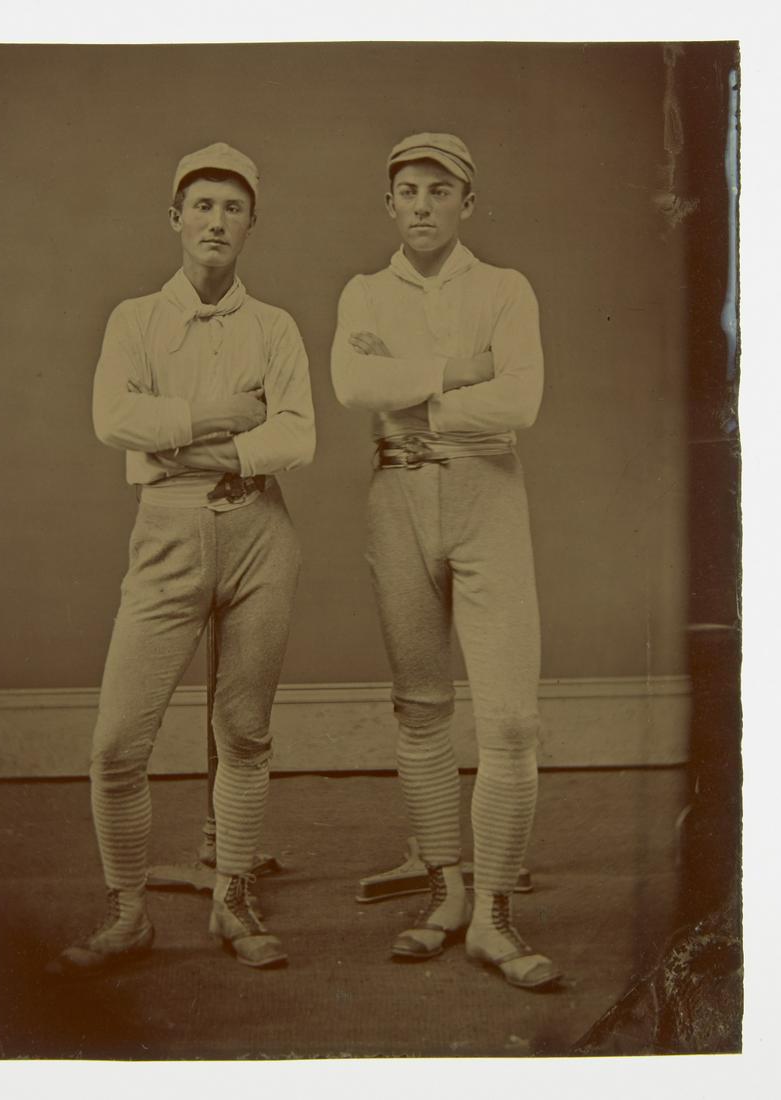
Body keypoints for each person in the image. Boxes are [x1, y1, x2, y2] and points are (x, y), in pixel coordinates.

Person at [48, 142, 315, 974]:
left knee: (242, 732)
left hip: (259, 536)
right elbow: (109, 421)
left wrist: (201, 447)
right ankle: (127, 913)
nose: (216, 220)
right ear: (175, 218)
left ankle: (231, 898)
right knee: (118, 744)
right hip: (164, 538)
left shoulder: (275, 327)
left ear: (251, 225)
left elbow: (297, 436)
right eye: (201, 205)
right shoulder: (135, 319)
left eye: (232, 208)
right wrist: (224, 418)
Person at [331, 132, 560, 989]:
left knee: (508, 723)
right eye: (407, 191)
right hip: (395, 503)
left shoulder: (505, 289)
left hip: (486, 499)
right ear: (388, 205)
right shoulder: (361, 293)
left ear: (467, 202)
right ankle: (447, 890)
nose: (421, 204)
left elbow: (524, 398)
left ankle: (496, 915)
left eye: (439, 190)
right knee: (420, 706)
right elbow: (352, 389)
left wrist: (415, 390)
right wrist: (463, 376)